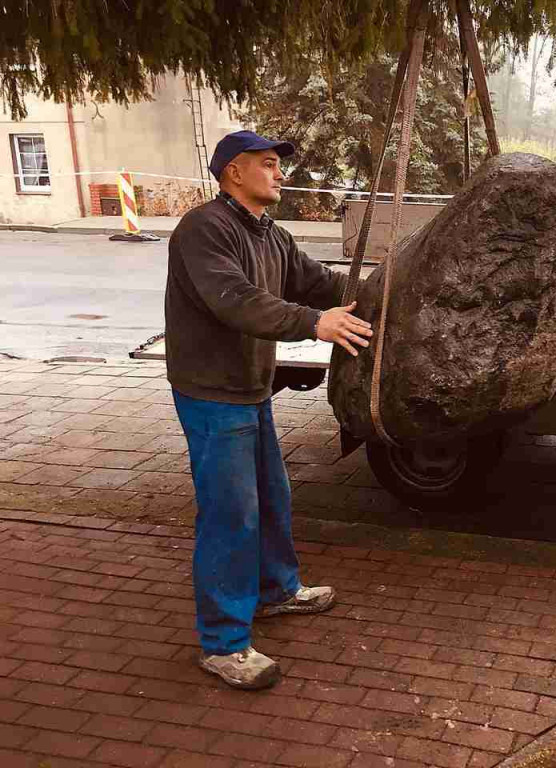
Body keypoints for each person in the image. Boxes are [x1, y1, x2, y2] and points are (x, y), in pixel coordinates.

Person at [166, 130, 374, 689]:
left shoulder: (270, 235)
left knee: (272, 496)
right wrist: (315, 324)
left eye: (278, 164)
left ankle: (277, 591)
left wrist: (379, 290)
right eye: (267, 164)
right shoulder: (203, 230)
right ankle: (223, 642)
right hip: (211, 393)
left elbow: (318, 282)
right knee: (230, 513)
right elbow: (236, 299)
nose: (279, 172)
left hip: (250, 388)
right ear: (234, 172)